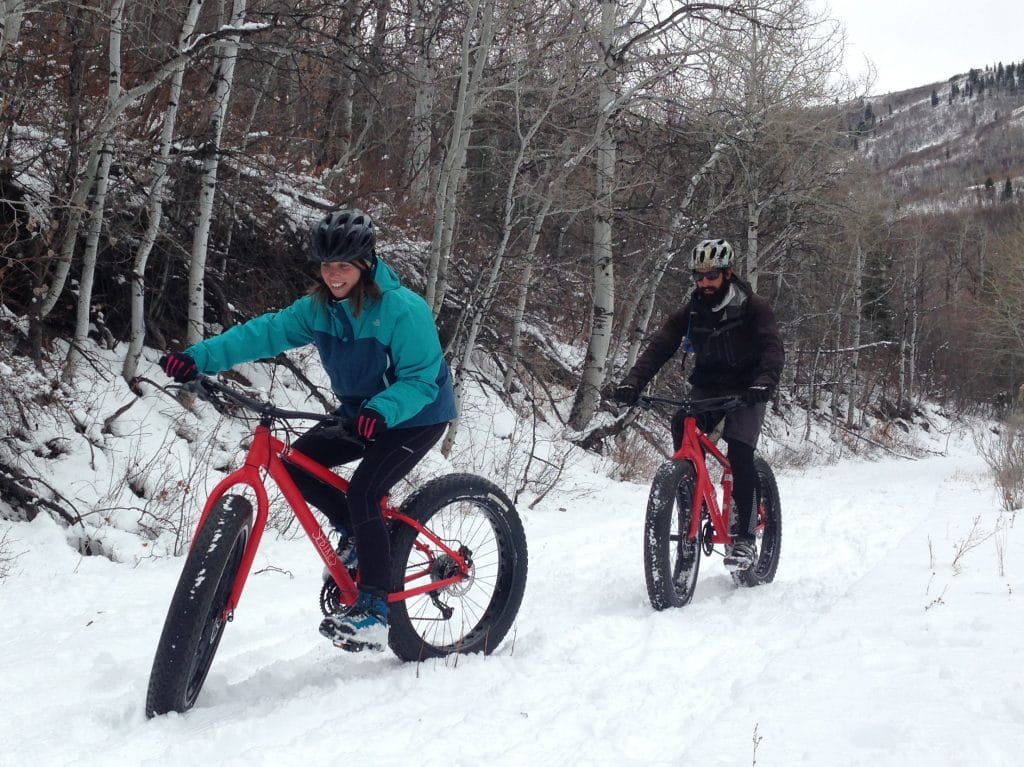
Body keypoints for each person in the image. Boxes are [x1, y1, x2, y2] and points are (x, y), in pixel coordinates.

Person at [158, 208, 456, 652]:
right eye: (327, 265)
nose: (334, 275)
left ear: (365, 264)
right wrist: (199, 358)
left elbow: (420, 379)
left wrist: (382, 409)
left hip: (417, 415)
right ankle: (355, 533)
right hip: (362, 412)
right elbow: (263, 334)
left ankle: (375, 610)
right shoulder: (319, 309)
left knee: (364, 492)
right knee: (298, 466)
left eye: (344, 266)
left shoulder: (402, 310)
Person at [614, 238, 784, 571]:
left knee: (739, 452)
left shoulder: (753, 306)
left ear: (728, 273)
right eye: (699, 276)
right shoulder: (691, 310)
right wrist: (633, 381)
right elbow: (660, 345)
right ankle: (690, 493)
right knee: (683, 424)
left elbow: (772, 347)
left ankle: (746, 539)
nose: (704, 283)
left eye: (712, 276)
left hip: (748, 387)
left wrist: (764, 382)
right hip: (708, 386)